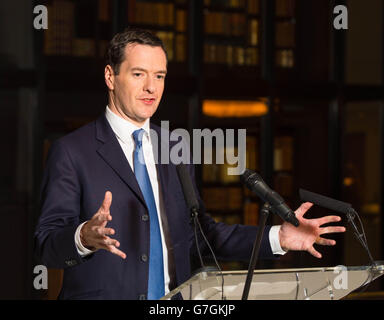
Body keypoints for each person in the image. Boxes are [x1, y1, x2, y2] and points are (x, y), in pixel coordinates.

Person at [34, 28, 345, 300]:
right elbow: (47, 244)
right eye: (139, 74)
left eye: (159, 76)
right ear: (110, 77)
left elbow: (201, 235)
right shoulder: (71, 151)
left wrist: (279, 237)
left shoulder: (174, 146)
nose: (151, 88)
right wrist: (84, 237)